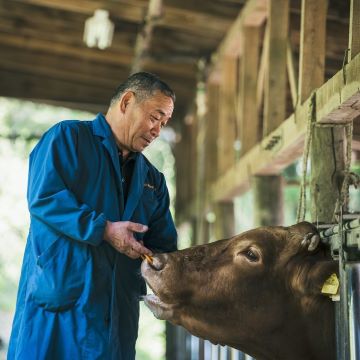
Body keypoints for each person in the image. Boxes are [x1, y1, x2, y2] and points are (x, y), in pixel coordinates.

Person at [8, 72, 178, 360]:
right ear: (127, 102)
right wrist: (104, 229)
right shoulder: (66, 139)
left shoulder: (153, 179)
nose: (157, 130)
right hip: (58, 311)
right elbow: (44, 198)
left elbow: (164, 249)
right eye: (154, 117)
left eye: (164, 123)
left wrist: (179, 285)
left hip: (117, 320)